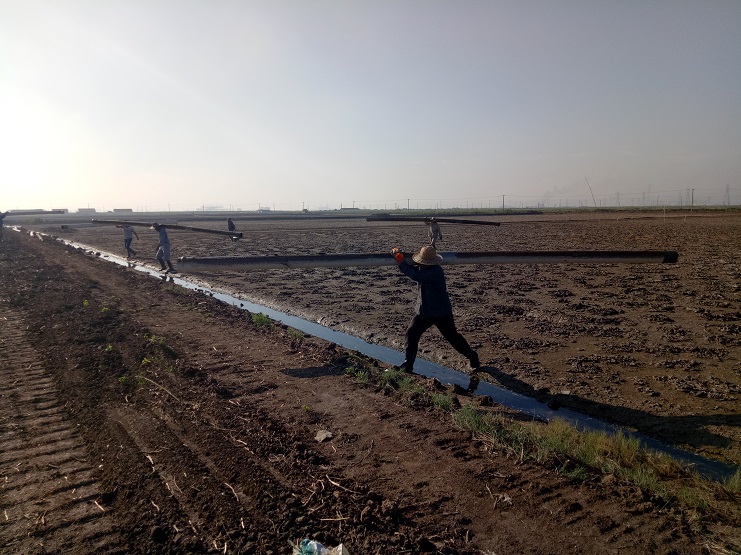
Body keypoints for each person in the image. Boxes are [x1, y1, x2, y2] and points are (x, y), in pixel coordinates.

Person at [391, 244, 479, 373]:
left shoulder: (435, 272)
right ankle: (408, 364)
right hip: (425, 311)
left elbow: (415, 275)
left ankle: (472, 356)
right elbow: (416, 271)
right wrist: (401, 256)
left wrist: (401, 262)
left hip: (440, 312)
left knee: (453, 337)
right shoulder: (425, 268)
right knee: (412, 333)